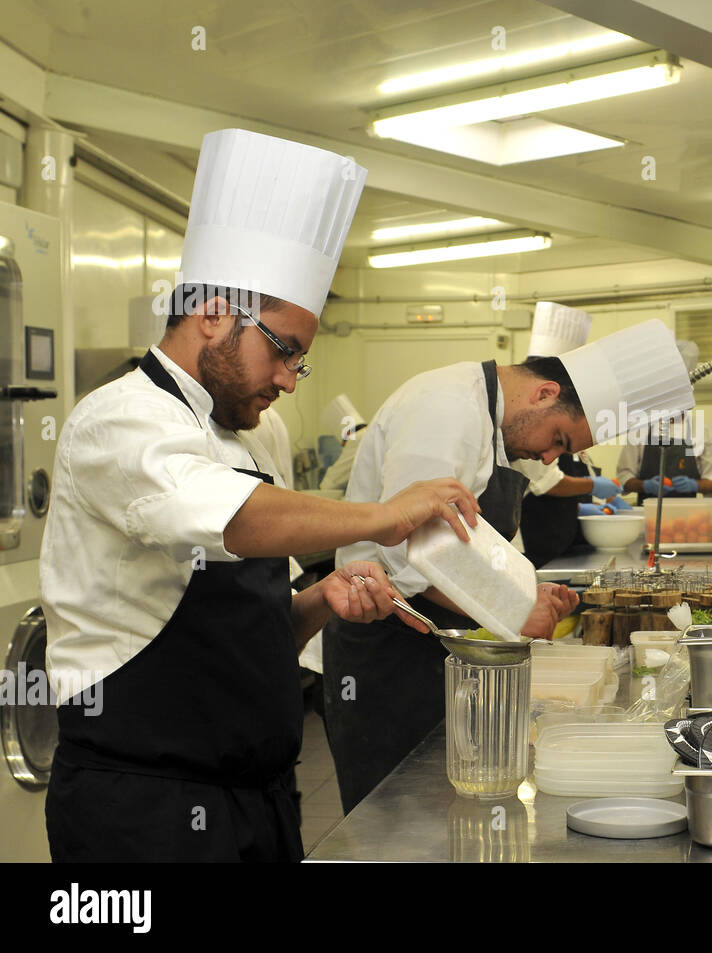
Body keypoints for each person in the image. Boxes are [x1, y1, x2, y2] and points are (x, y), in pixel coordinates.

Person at [39, 129, 480, 862]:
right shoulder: (116, 419)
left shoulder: (253, 436)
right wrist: (383, 512)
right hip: (141, 815)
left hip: (258, 802)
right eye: (285, 350)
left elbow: (246, 624)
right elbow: (231, 518)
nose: (286, 380)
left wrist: (319, 599)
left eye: (299, 363)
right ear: (215, 313)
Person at [324, 319, 695, 811]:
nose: (548, 455)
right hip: (385, 647)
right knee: (393, 816)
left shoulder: (498, 427)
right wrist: (510, 610)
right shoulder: (447, 406)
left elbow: (491, 549)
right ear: (544, 393)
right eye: (558, 439)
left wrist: (529, 591)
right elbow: (408, 552)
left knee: (452, 806)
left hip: (447, 644)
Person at [516, 302, 626, 568]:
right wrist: (592, 485)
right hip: (537, 548)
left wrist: (580, 507)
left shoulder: (553, 419)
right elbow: (545, 483)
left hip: (561, 544)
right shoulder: (525, 424)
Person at [618, 341, 712, 504]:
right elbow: (625, 477)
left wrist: (694, 485)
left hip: (690, 519)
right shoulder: (639, 430)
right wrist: (645, 486)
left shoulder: (702, 432)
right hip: (648, 516)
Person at [318, 394, 367, 493]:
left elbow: (333, 480)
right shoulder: (367, 433)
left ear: (347, 433)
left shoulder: (357, 439)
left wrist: (321, 489)